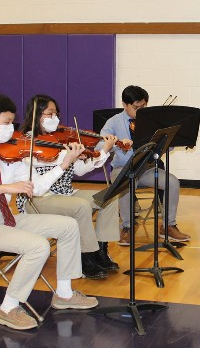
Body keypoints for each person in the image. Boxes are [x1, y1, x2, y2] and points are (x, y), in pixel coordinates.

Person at [0, 93, 93, 331]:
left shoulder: (6, 152)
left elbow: (35, 187)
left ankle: (64, 293)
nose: (11, 129)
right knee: (39, 246)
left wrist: (64, 163)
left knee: (68, 226)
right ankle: (8, 307)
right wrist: (3, 188)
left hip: (6, 219)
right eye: (6, 123)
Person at [14, 94, 121, 280]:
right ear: (36, 115)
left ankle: (100, 251)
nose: (55, 117)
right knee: (81, 206)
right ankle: (85, 256)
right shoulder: (26, 143)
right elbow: (39, 172)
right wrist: (64, 159)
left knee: (109, 196)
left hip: (66, 193)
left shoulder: (59, 139)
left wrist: (103, 152)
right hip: (38, 198)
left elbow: (79, 170)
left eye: (56, 113)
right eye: (49, 113)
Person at [99, 85, 191, 245]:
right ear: (125, 105)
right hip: (122, 169)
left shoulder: (150, 121)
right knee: (125, 184)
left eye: (143, 107)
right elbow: (99, 145)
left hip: (146, 168)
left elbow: (166, 144)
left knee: (172, 182)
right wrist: (114, 144)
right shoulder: (113, 122)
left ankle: (168, 226)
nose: (140, 111)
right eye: (136, 107)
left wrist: (167, 141)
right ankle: (127, 227)